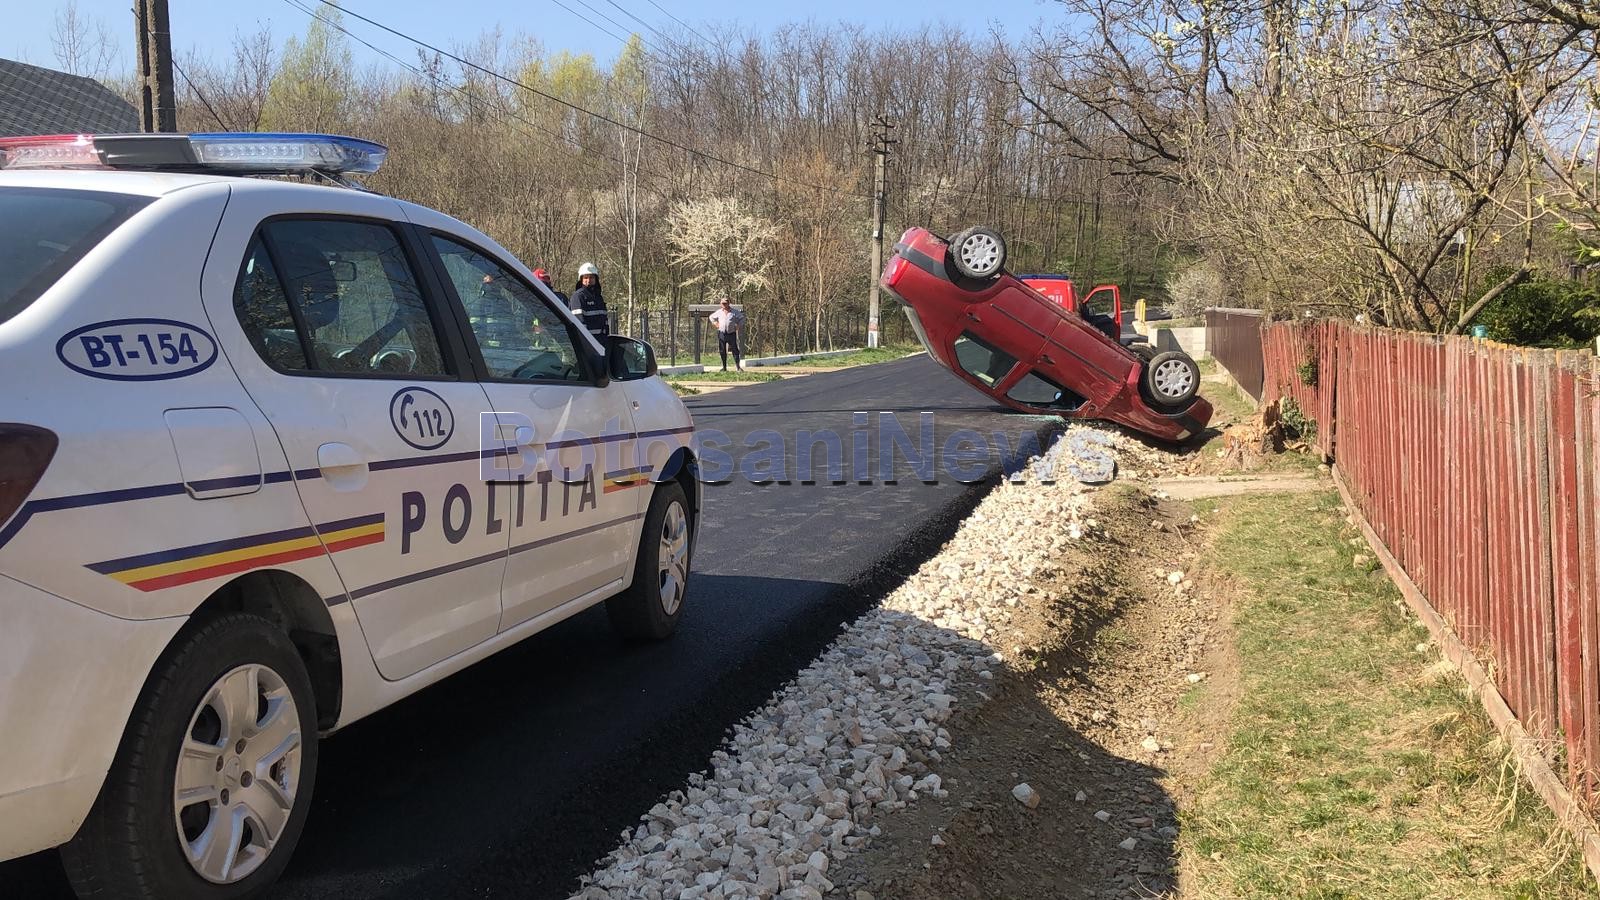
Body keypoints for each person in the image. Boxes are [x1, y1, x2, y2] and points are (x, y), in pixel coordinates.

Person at [569, 262, 610, 340]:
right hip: (587, 342)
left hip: (601, 341)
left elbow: (605, 322)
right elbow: (579, 323)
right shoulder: (578, 297)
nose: (588, 280)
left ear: (595, 279)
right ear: (581, 279)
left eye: (591, 277)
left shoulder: (598, 297)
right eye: (586, 277)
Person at [709, 296, 744, 371]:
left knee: (735, 350)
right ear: (720, 304)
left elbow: (741, 318)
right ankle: (724, 367)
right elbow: (711, 317)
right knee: (722, 350)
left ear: (729, 303)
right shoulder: (719, 312)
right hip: (722, 333)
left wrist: (738, 325)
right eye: (723, 303)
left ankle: (738, 367)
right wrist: (715, 323)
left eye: (725, 303)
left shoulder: (734, 312)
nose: (724, 305)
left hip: (731, 333)